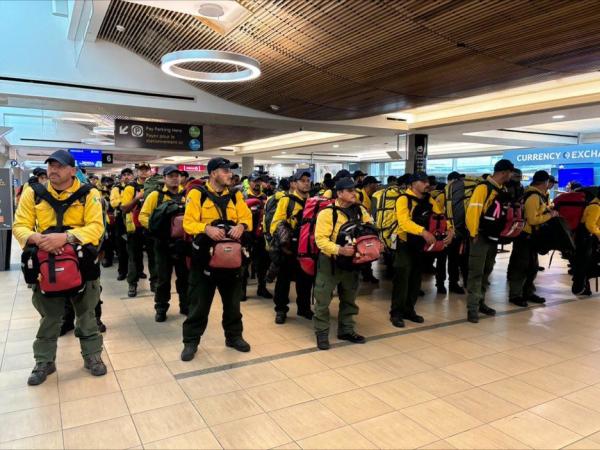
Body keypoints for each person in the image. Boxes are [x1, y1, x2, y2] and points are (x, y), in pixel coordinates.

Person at [13, 150, 106, 385]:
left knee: (87, 313)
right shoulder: (33, 193)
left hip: (82, 260)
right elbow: (20, 226)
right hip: (46, 262)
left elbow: (96, 228)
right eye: (51, 165)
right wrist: (39, 239)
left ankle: (92, 356)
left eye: (60, 166)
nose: (53, 170)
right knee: (50, 316)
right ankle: (44, 361)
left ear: (73, 171)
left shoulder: (89, 194)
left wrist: (66, 239)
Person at [181, 157, 252, 362]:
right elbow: (188, 223)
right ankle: (191, 342)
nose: (229, 174)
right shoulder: (197, 194)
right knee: (199, 305)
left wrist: (242, 226)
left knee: (232, 305)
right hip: (205, 260)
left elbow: (246, 217)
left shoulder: (236, 195)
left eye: (229, 171)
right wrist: (206, 228)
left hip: (231, 259)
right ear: (213, 173)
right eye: (225, 171)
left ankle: (234, 337)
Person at [313, 177, 371, 350]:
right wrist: (340, 250)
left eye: (355, 190)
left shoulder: (360, 210)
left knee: (349, 298)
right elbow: (320, 240)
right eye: (350, 191)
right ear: (339, 193)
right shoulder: (327, 213)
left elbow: (369, 229)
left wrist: (373, 243)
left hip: (353, 261)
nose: (355, 193)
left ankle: (346, 330)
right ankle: (322, 332)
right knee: (322, 300)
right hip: (330, 262)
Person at [390, 172, 453, 328]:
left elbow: (441, 216)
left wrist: (450, 230)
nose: (427, 184)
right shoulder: (403, 199)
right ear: (413, 184)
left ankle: (409, 310)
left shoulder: (429, 199)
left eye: (427, 181)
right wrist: (423, 232)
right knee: (402, 279)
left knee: (416, 279)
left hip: (421, 245)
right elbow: (404, 222)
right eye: (423, 181)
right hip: (405, 244)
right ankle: (396, 313)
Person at [465, 159, 515, 323]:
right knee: (476, 273)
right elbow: (473, 211)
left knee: (486, 271)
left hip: (493, 237)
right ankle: (472, 308)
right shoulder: (483, 188)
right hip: (479, 237)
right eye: (510, 172)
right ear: (503, 172)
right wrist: (473, 234)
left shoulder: (502, 189)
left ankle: (480, 303)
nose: (511, 175)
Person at [139, 165, 188, 322]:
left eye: (177, 175)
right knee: (163, 278)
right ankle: (161, 308)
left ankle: (185, 305)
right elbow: (143, 216)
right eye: (171, 175)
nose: (175, 178)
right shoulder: (155, 195)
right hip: (162, 244)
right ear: (164, 178)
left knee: (185, 277)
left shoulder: (187, 195)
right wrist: (156, 229)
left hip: (183, 244)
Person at [507, 170, 556, 307]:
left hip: (530, 237)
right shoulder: (534, 196)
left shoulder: (535, 194)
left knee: (532, 266)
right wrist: (550, 215)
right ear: (545, 182)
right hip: (525, 236)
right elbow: (532, 219)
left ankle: (528, 292)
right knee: (521, 267)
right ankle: (515, 295)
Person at [270, 171, 313, 324]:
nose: (306, 183)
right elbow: (276, 223)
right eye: (302, 180)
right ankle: (281, 310)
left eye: (308, 180)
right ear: (294, 183)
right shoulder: (286, 201)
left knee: (306, 279)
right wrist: (284, 240)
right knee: (283, 280)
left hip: (307, 248)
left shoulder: (313, 202)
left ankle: (304, 308)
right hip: (288, 248)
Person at [120, 163, 156, 297]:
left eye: (146, 170)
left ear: (150, 172)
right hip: (134, 228)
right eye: (141, 170)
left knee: (154, 256)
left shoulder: (155, 187)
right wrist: (137, 198)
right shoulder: (131, 187)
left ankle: (154, 282)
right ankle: (132, 284)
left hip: (150, 227)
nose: (144, 172)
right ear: (137, 172)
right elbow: (124, 208)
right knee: (134, 258)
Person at [243, 172, 272, 300]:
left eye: (259, 181)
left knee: (263, 264)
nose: (257, 184)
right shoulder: (242, 196)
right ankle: (241, 290)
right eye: (254, 181)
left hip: (261, 236)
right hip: (246, 235)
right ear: (249, 182)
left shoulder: (266, 197)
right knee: (244, 264)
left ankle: (262, 288)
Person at [572, 190, 600, 296]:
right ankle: (579, 287)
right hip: (586, 238)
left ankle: (582, 287)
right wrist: (599, 234)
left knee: (586, 263)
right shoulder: (595, 207)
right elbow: (590, 225)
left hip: (587, 238)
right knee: (584, 264)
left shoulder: (595, 205)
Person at [110, 168, 133, 281]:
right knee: (121, 248)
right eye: (124, 175)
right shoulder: (116, 189)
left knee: (134, 247)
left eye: (129, 174)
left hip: (133, 219)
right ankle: (122, 271)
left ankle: (138, 271)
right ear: (121, 177)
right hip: (121, 219)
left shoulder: (135, 187)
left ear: (132, 176)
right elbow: (114, 202)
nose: (127, 177)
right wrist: (125, 204)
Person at [357, 175, 380, 284]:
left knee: (367, 250)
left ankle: (367, 274)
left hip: (366, 228)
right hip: (358, 228)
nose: (377, 185)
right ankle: (365, 273)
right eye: (376, 183)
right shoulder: (359, 195)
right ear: (369, 185)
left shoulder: (371, 197)